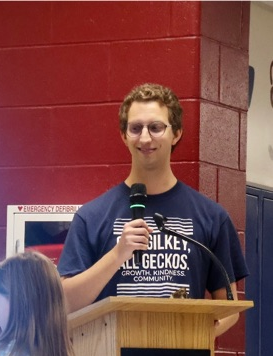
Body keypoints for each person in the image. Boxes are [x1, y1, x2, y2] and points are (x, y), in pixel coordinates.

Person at [57, 83, 248, 336]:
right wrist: (118, 254)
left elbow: (229, 308)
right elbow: (65, 304)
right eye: (135, 128)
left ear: (176, 133)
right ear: (124, 135)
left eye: (156, 127)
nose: (145, 138)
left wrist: (190, 340)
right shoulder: (91, 217)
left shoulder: (212, 217)